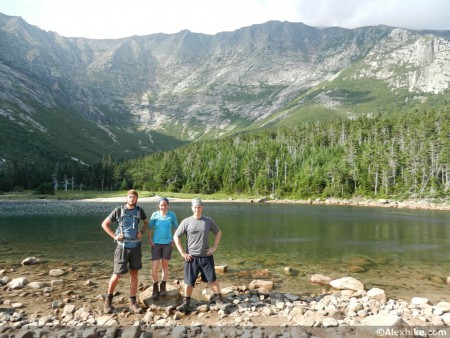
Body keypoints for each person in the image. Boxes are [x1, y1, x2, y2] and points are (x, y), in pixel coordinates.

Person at [101, 189, 148, 314]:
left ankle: (133, 301)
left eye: (134, 197)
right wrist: (115, 237)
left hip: (136, 247)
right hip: (122, 247)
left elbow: (146, 222)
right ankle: (108, 300)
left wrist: (141, 232)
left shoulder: (139, 210)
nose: (132, 199)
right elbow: (105, 224)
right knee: (117, 274)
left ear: (137, 199)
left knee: (134, 274)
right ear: (126, 198)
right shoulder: (118, 210)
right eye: (130, 197)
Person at [173, 198, 223, 312]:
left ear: (202, 208)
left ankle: (219, 300)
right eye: (195, 207)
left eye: (199, 207)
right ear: (192, 208)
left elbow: (218, 232)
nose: (197, 209)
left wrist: (214, 247)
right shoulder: (186, 221)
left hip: (206, 256)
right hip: (191, 257)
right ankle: (186, 302)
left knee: (212, 279)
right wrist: (183, 253)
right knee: (189, 281)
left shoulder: (208, 221)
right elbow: (176, 236)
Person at [148, 197, 178, 300]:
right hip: (156, 244)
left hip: (167, 244)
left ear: (167, 205)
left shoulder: (172, 215)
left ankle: (163, 286)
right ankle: (155, 287)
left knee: (165, 265)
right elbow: (149, 228)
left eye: (165, 205)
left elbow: (176, 228)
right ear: (159, 205)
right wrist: (150, 240)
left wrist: (174, 240)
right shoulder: (154, 215)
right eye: (161, 205)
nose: (163, 206)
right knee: (155, 267)